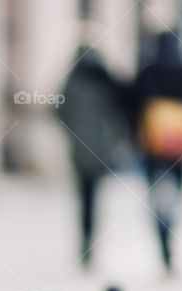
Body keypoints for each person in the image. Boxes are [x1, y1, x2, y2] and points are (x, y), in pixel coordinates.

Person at [57, 46, 130, 266]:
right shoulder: (104, 82)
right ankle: (91, 239)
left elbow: (59, 112)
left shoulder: (72, 83)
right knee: (95, 196)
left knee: (85, 196)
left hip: (80, 151)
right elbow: (121, 111)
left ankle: (86, 239)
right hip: (100, 151)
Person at [134, 30, 182, 271]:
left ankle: (164, 240)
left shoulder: (148, 72)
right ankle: (170, 228)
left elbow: (133, 105)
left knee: (158, 198)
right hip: (178, 147)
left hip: (153, 148)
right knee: (174, 197)